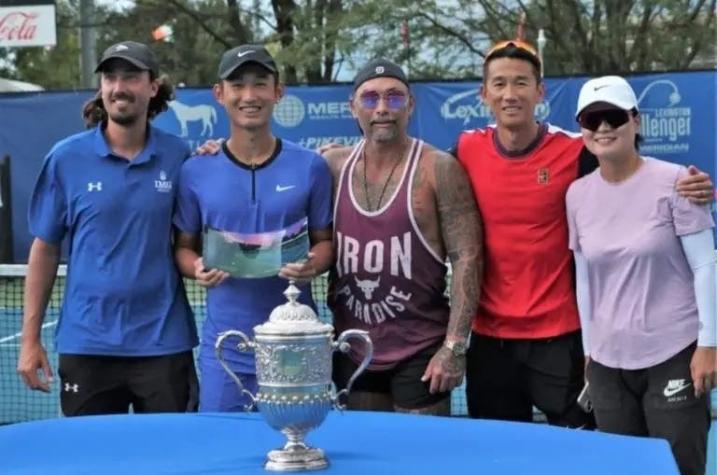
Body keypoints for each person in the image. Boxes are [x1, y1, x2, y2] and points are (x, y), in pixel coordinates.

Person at [454, 40, 713, 427]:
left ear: (540, 91)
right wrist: (335, 159)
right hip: (491, 342)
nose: (511, 94)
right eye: (500, 84)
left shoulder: (576, 149)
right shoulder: (464, 149)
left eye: (522, 83)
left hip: (562, 341)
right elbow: (418, 171)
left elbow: (632, 168)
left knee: (585, 455)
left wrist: (692, 185)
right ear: (484, 93)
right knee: (499, 457)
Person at [17, 41, 199, 416]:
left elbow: (194, 235)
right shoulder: (66, 158)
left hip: (163, 345)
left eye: (131, 77)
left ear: (152, 87)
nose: (119, 87)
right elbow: (45, 248)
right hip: (86, 347)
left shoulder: (180, 156)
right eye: (110, 77)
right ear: (101, 87)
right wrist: (30, 339)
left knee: (171, 462)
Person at [567, 75, 716, 475]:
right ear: (582, 129)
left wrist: (709, 344)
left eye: (613, 117)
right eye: (592, 119)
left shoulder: (679, 181)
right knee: (623, 469)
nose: (602, 128)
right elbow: (585, 277)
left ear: (635, 120)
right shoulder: (577, 195)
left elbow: (706, 265)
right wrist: (588, 349)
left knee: (680, 468)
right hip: (606, 363)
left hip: (675, 355)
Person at [172, 44, 334, 412]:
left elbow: (326, 242)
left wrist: (313, 264)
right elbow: (183, 246)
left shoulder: (311, 167)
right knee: (221, 456)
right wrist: (196, 268)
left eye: (260, 84)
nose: (249, 96)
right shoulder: (195, 171)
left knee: (298, 448)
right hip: (224, 350)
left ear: (278, 92)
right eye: (238, 85)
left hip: (296, 343)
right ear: (219, 94)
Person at [323, 59, 483, 415]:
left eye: (394, 98)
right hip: (354, 348)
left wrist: (454, 347)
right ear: (353, 107)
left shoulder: (437, 168)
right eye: (371, 99)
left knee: (423, 462)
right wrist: (212, 151)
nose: (382, 108)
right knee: (366, 462)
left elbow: (467, 258)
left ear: (410, 104)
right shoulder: (332, 166)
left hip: (421, 350)